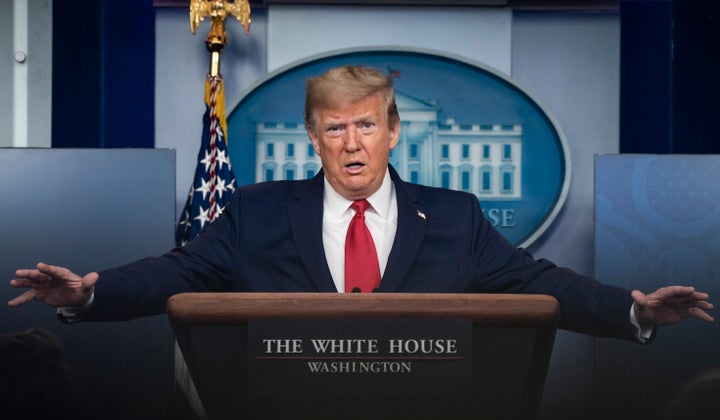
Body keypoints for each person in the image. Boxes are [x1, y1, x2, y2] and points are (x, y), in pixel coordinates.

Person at [7, 65, 714, 342]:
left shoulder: (458, 216)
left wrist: (634, 309)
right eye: (336, 128)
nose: (353, 144)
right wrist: (91, 293)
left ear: (394, 131)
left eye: (367, 125)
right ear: (313, 137)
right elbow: (174, 273)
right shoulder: (255, 212)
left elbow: (543, 284)